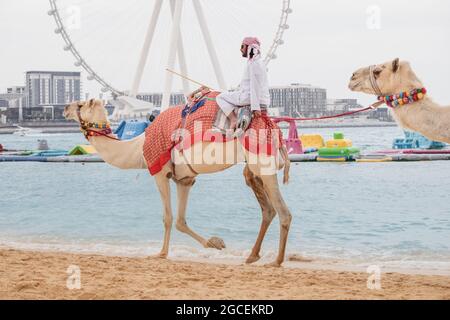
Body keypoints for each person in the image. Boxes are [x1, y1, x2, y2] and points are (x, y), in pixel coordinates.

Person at [213, 37, 271, 134]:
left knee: (220, 97)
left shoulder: (254, 64)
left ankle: (233, 119)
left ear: (249, 47)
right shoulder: (258, 63)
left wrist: (255, 108)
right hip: (259, 98)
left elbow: (255, 86)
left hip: (249, 98)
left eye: (242, 46)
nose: (240, 49)